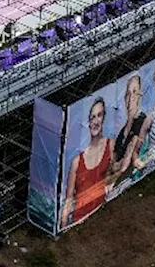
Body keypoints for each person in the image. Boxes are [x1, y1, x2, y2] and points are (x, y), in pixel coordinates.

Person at [60, 97, 113, 227]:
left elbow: (113, 175)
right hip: (80, 220)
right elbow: (69, 199)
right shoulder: (77, 161)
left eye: (99, 115)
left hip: (101, 216)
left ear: (104, 118)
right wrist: (63, 226)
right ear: (88, 122)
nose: (95, 121)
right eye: (92, 117)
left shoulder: (110, 145)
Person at [106, 74, 149, 195]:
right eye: (128, 94)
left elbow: (125, 163)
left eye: (135, 92)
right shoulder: (123, 129)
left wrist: (111, 179)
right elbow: (114, 158)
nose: (131, 98)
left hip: (125, 176)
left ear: (140, 95)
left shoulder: (140, 122)